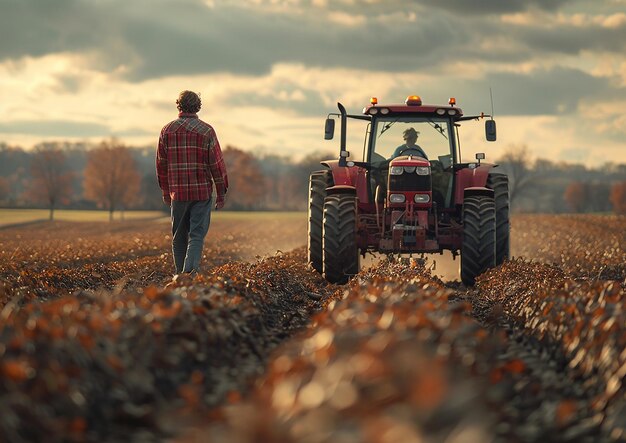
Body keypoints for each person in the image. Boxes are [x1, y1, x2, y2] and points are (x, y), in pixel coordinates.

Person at [156, 90, 229, 275]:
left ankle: (180, 276)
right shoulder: (206, 131)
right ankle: (189, 275)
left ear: (178, 105)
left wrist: (166, 191)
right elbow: (217, 165)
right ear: (198, 106)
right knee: (196, 236)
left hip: (178, 193)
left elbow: (161, 165)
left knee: (178, 237)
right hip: (201, 193)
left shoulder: (167, 130)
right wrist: (221, 193)